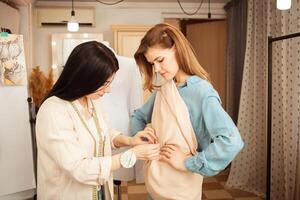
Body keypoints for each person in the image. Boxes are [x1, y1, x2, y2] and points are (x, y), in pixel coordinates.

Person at [131, 23, 244, 200]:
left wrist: (188, 162)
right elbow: (138, 116)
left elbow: (231, 141)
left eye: (160, 60)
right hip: (154, 183)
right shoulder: (166, 88)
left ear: (177, 49)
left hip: (181, 188)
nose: (157, 70)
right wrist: (142, 138)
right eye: (152, 64)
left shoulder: (202, 92)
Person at [35, 41, 160, 200]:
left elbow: (103, 133)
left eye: (110, 83)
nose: (108, 90)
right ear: (84, 78)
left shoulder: (91, 100)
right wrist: (132, 155)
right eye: (104, 84)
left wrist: (130, 141)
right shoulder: (54, 111)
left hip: (99, 191)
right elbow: (79, 168)